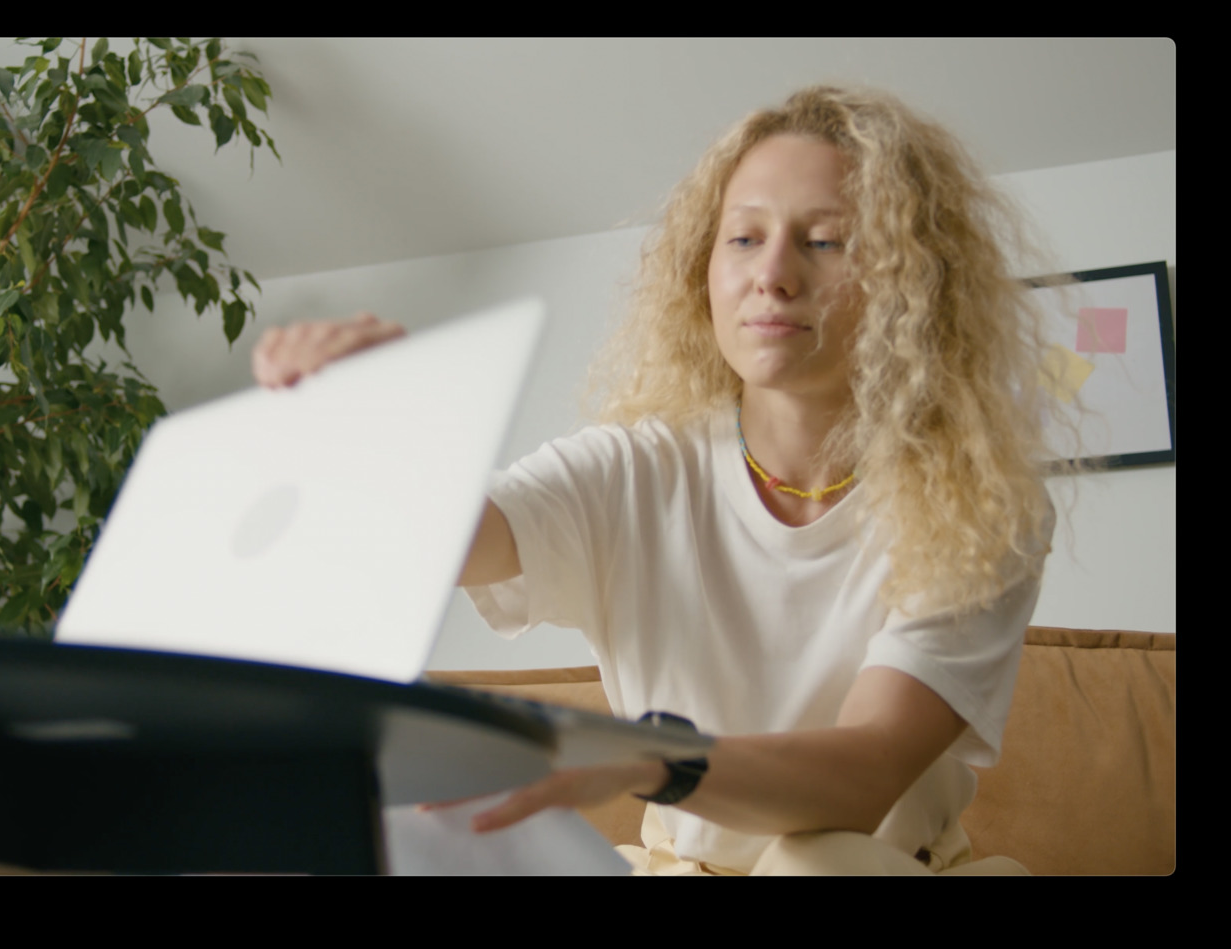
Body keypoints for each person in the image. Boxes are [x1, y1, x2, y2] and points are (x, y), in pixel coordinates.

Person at [251, 85, 1069, 875]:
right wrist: (365, 424)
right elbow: (465, 539)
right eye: (743, 238)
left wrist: (658, 759)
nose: (773, 274)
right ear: (701, 269)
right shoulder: (638, 464)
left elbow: (862, 777)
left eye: (826, 241)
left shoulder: (978, 502)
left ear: (911, 281)